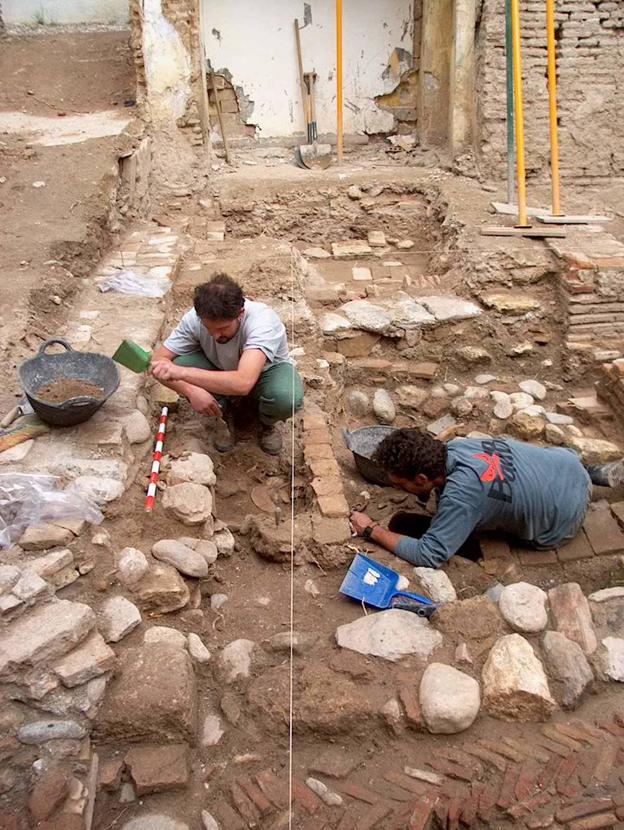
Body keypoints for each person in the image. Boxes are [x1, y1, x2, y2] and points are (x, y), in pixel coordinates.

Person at [349, 428, 624, 569]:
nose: (399, 489)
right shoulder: (456, 446)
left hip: (563, 522)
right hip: (569, 466)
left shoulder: (462, 496)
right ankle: (594, 474)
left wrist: (372, 530)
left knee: (406, 523)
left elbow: (430, 554)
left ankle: (587, 483)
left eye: (401, 484)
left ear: (421, 479)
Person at [150, 273, 304, 455]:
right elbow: (157, 362)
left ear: (240, 313)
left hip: (265, 375)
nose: (215, 336)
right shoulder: (194, 319)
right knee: (178, 362)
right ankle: (224, 413)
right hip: (220, 369)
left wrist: (182, 374)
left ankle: (266, 423)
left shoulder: (262, 322)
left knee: (287, 397)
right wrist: (191, 390)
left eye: (222, 329)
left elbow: (243, 383)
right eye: (209, 329)